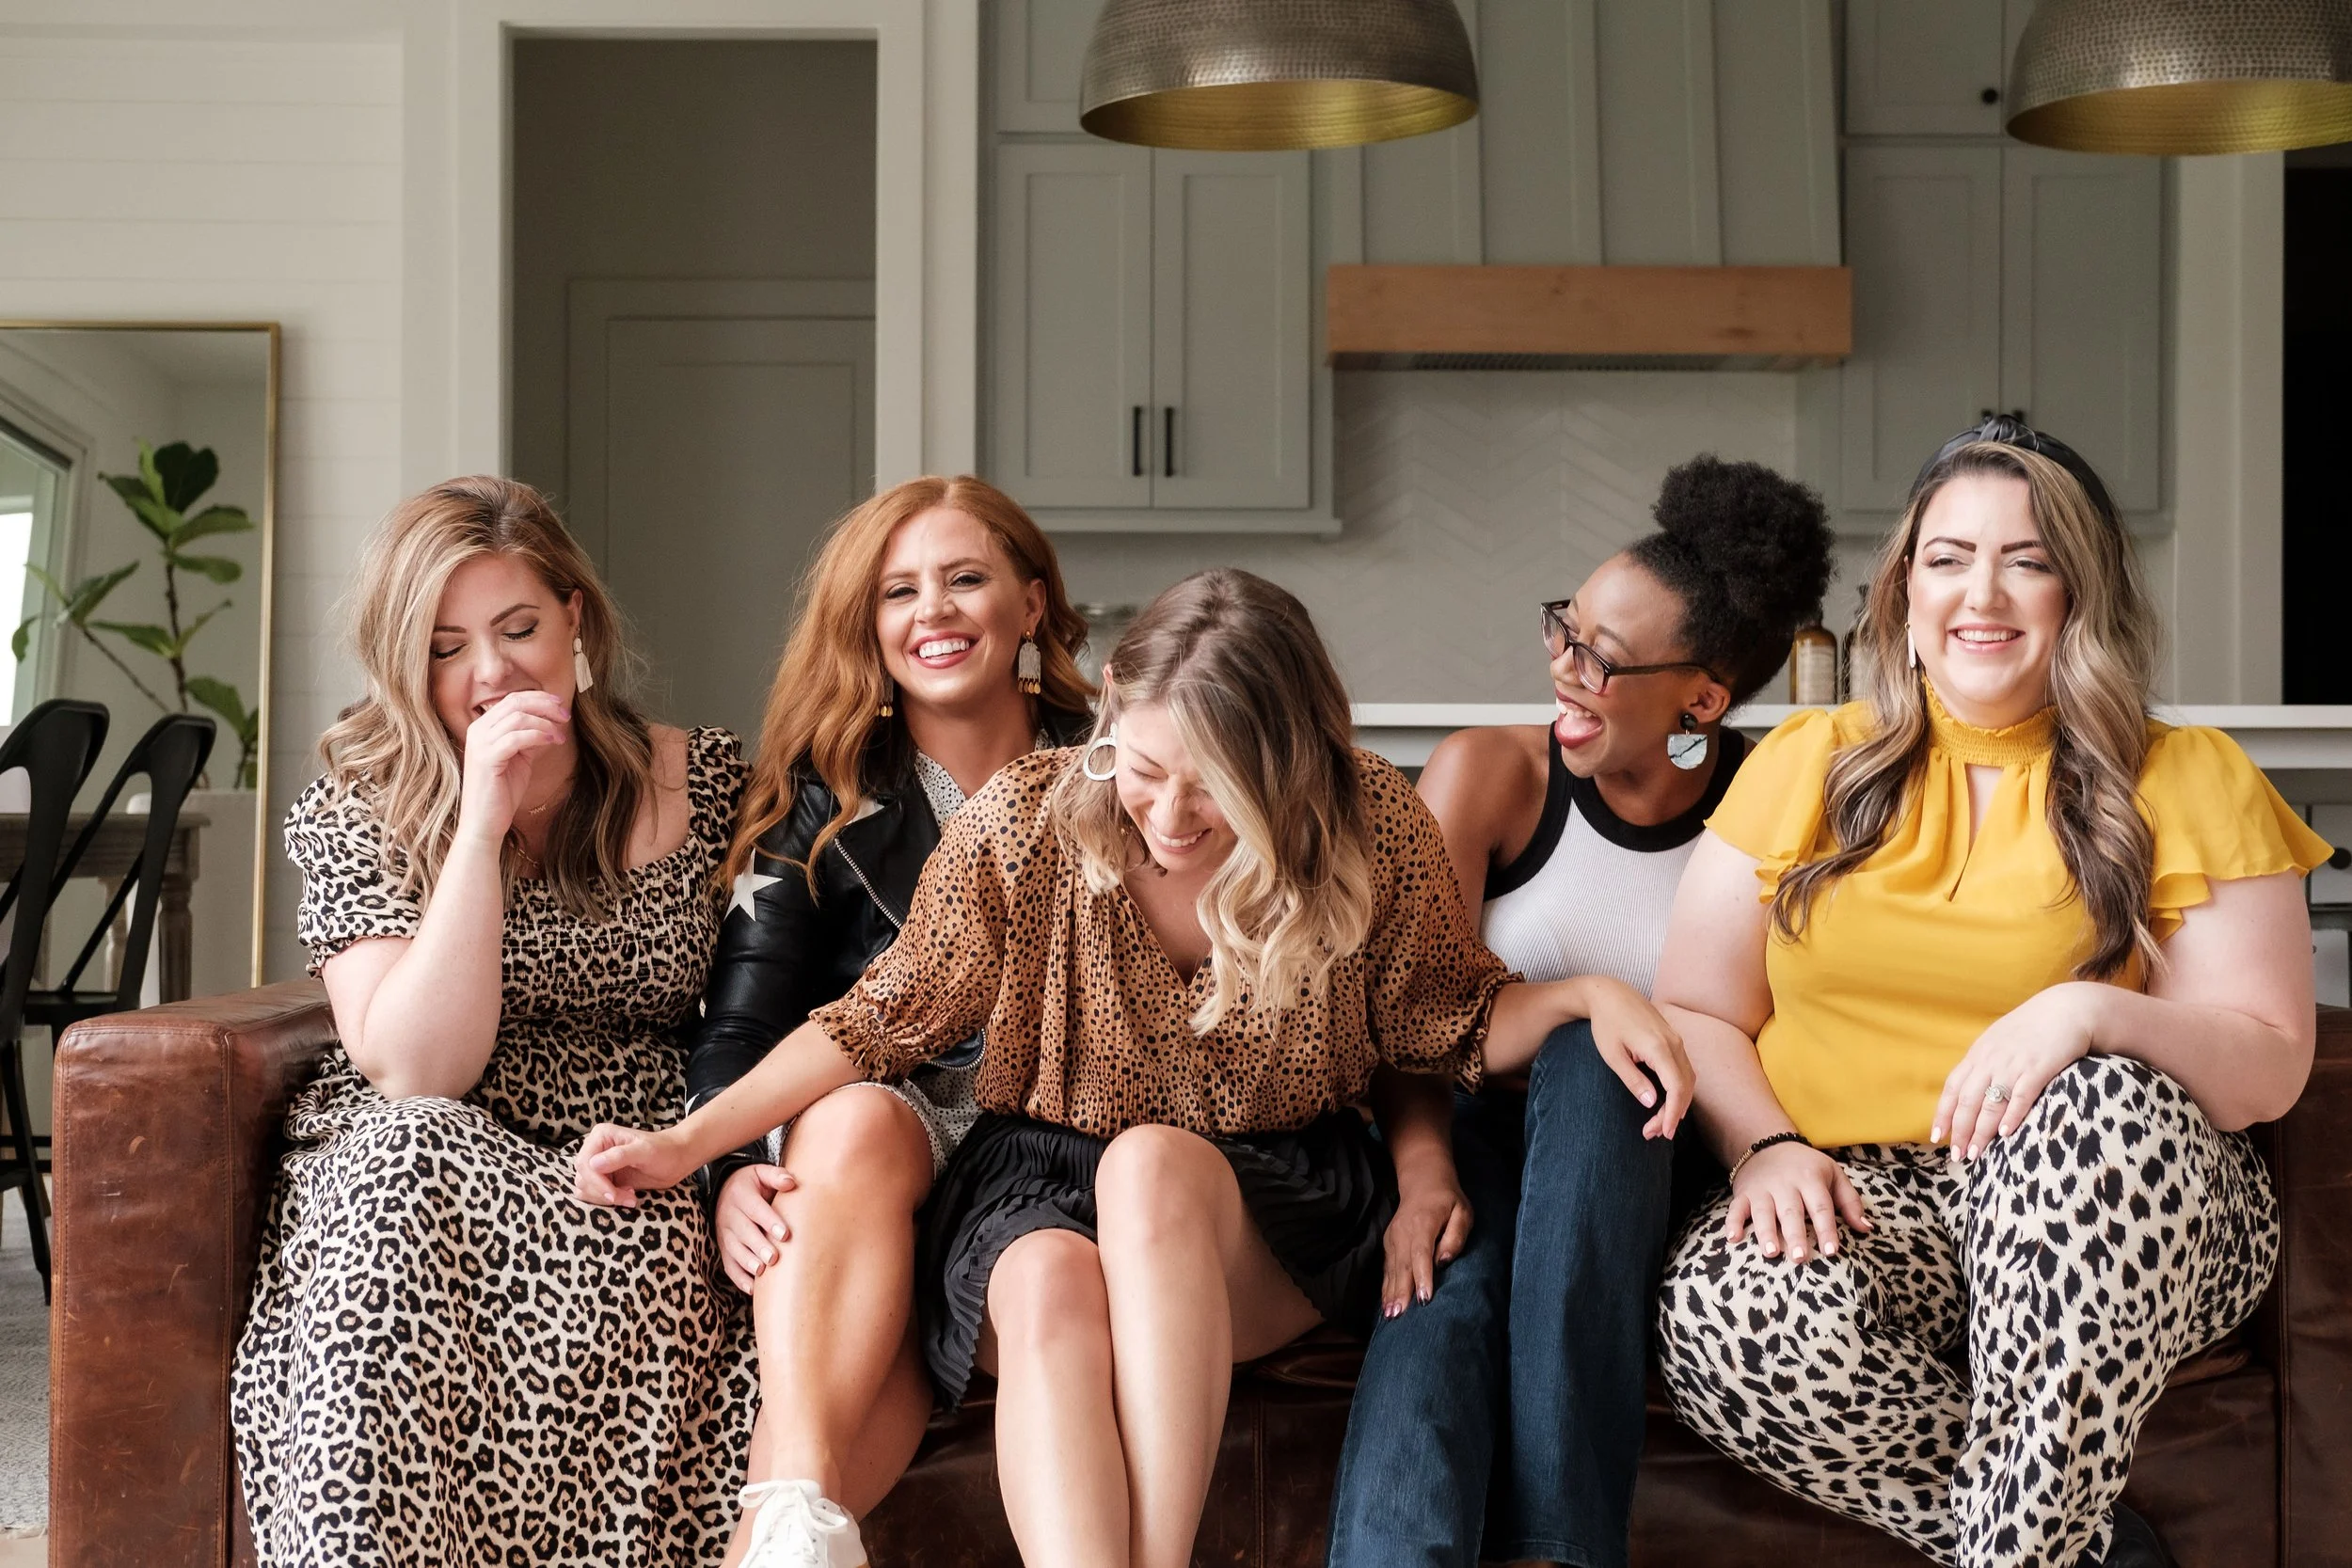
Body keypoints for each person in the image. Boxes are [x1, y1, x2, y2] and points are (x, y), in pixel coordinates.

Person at [573, 568, 1692, 1568]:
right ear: (1110, 704)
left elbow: (1441, 1020)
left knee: (1152, 1165)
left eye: (1212, 788)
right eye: (1145, 767)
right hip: (1035, 1182)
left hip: (1262, 1195)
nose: (1165, 812)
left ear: (1288, 766)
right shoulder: (1027, 822)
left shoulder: (1366, 820)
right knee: (1050, 1279)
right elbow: (874, 1023)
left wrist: (1587, 993)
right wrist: (688, 1143)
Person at [1650, 418, 2328, 1568]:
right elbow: (1695, 1008)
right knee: (1725, 1307)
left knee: (2097, 1101)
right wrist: (1763, 1144)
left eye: (2028, 558)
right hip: (1880, 1204)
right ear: (1904, 588)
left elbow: (2268, 1065)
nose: (1984, 592)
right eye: (1948, 555)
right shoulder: (1807, 760)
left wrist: (2088, 1013)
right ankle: (2076, 1546)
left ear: (2081, 591)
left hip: (2127, 1199)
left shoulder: (2187, 772)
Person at [232, 476, 755, 1565]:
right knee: (404, 1153)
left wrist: (721, 1150)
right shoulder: (356, 801)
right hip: (427, 1144)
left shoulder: (703, 779)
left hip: (631, 1155)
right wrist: (478, 826)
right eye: (445, 646)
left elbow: (773, 1002)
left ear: (576, 617)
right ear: (402, 661)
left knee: (655, 1241)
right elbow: (418, 1067)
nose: (489, 672)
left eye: (519, 628)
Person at [1327, 456, 1835, 1568]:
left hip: (1646, 1163)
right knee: (1443, 1297)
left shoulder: (1767, 813)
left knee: (1608, 1065)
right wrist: (1424, 1178)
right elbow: (1408, 1022)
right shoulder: (1488, 777)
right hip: (1466, 1133)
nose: (1562, 668)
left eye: (1602, 658)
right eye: (1565, 630)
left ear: (1700, 698)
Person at [686, 475, 1093, 1564]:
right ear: (868, 625)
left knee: (824, 1427)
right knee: (859, 1118)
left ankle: (789, 1518)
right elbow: (740, 1026)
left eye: (967, 579)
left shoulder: (1120, 764)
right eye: (899, 591)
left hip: (1050, 1142)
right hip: (881, 1139)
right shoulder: (816, 794)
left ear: (1032, 603)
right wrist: (726, 1170)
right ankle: (799, 1517)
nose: (935, 612)